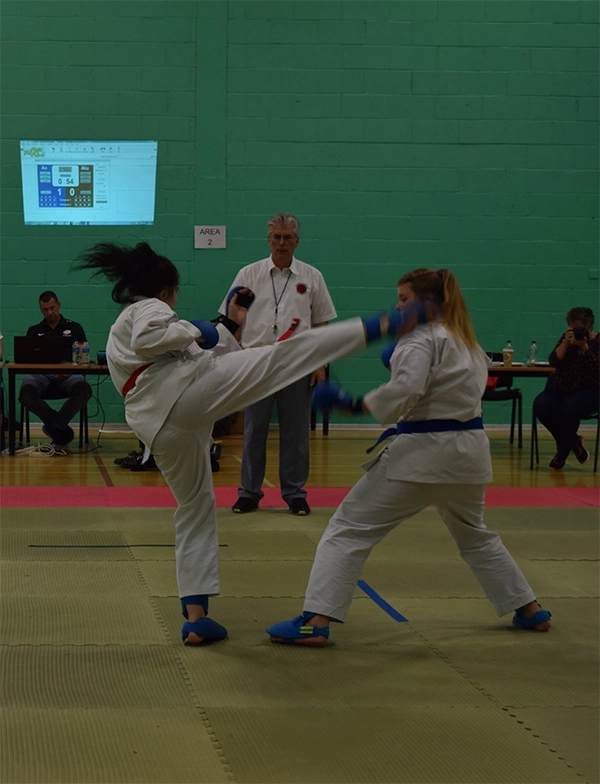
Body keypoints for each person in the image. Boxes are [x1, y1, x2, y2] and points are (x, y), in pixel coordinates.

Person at [75, 241, 427, 646]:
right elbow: (152, 338)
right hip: (180, 396)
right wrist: (194, 327)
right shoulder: (148, 308)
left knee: (194, 507)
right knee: (285, 356)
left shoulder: (129, 323)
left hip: (159, 422)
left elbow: (204, 351)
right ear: (164, 290)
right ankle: (381, 324)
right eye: (174, 292)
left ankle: (195, 617)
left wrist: (228, 321)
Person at [267, 268, 552, 647]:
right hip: (468, 454)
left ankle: (315, 621)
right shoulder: (469, 342)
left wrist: (353, 404)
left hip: (424, 454)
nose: (397, 307)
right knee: (475, 535)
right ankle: (529, 608)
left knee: (347, 530)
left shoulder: (419, 340)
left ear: (428, 303)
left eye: (404, 300)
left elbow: (407, 388)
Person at [219, 212, 337, 517]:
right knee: (253, 429)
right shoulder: (249, 274)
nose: (281, 243)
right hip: (256, 361)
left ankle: (295, 493)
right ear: (268, 240)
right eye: (276, 237)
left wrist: (320, 365)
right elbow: (231, 317)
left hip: (296, 363)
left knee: (295, 433)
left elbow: (321, 323)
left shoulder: (312, 277)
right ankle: (249, 492)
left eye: (288, 238)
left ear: (297, 241)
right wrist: (232, 358)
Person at [19, 291, 92, 446]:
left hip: (70, 374)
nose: (50, 312)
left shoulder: (75, 327)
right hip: (41, 374)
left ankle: (56, 426)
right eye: (45, 310)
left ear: (59, 305)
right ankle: (56, 425)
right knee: (26, 392)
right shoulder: (34, 330)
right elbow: (26, 360)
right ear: (40, 310)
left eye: (52, 308)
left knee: (84, 390)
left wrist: (68, 370)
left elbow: (83, 357)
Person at [533, 307, 600, 470]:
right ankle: (573, 443)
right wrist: (565, 343)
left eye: (580, 328)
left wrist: (585, 349)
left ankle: (562, 453)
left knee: (569, 408)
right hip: (562, 387)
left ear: (589, 327)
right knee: (540, 405)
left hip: (590, 390)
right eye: (572, 327)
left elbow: (597, 373)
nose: (576, 331)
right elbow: (553, 361)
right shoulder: (566, 339)